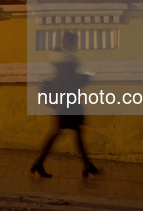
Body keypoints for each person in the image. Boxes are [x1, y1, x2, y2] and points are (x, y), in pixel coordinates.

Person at [31, 31, 99, 178]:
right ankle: (39, 163)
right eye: (73, 42)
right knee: (63, 134)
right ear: (68, 43)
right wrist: (86, 77)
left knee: (71, 134)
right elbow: (70, 82)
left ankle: (86, 165)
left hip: (67, 102)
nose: (75, 45)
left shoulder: (64, 60)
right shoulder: (66, 61)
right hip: (68, 103)